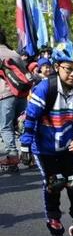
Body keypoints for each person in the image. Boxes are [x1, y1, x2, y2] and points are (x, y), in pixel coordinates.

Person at [19, 41, 73, 236]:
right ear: (57, 67)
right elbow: (31, 119)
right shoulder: (46, 88)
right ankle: (53, 217)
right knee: (55, 183)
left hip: (66, 146)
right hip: (44, 148)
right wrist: (25, 147)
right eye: (68, 69)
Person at [0, 28, 27, 172]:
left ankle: (12, 156)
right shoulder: (14, 53)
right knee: (21, 125)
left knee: (6, 126)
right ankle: (28, 152)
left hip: (5, 95)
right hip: (21, 95)